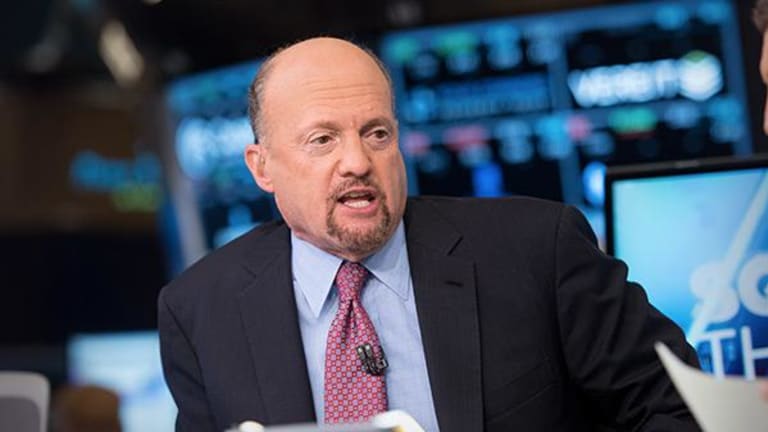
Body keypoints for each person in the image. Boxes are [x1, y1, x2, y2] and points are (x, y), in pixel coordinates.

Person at [158, 37, 701, 431]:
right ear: (262, 167)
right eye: (323, 140)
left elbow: (678, 407)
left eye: (377, 133)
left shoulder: (537, 249)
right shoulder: (200, 310)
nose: (358, 162)